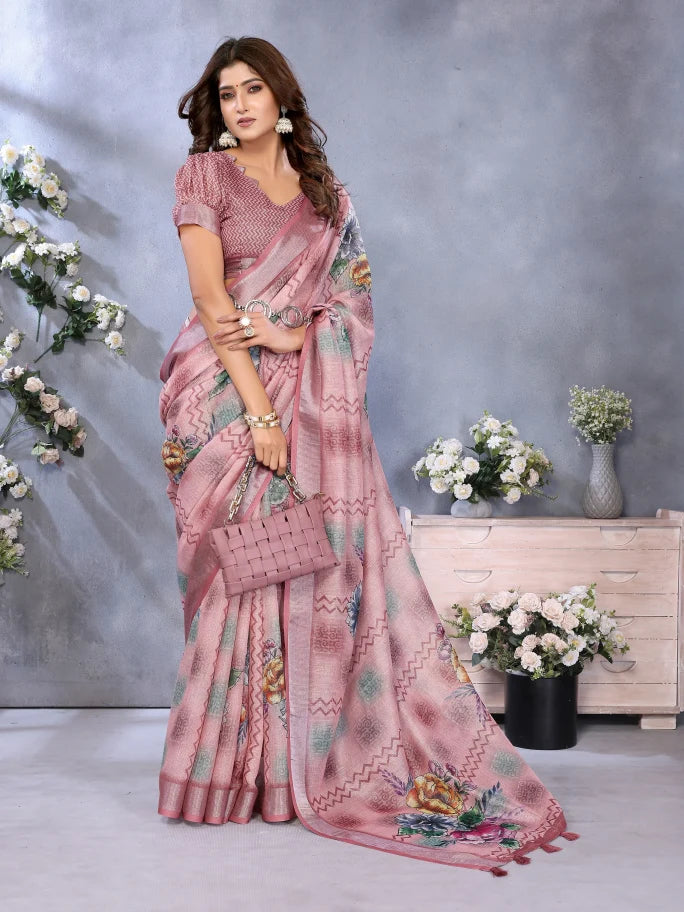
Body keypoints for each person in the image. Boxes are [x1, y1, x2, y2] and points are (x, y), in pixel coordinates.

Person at [157, 36, 579, 877]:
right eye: (226, 94)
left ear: (282, 98)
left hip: (311, 398)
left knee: (301, 574)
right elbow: (210, 302)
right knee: (243, 580)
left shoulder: (326, 196)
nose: (239, 105)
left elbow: (351, 301)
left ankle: (290, 776)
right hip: (226, 401)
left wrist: (297, 334)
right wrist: (261, 412)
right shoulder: (203, 176)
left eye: (253, 90)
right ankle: (226, 776)